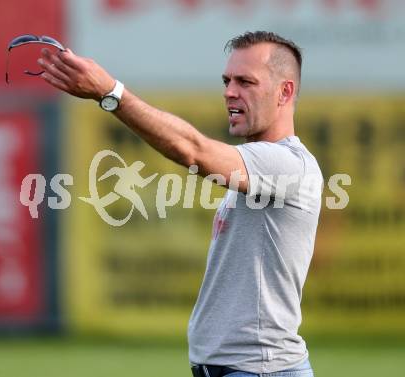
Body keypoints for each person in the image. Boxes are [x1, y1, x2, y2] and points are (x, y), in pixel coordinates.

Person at [38, 31, 322, 377]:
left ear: (285, 91)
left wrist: (110, 93)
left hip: (262, 371)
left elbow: (194, 150)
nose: (230, 91)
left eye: (246, 81)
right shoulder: (257, 164)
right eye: (227, 80)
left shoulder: (288, 164)